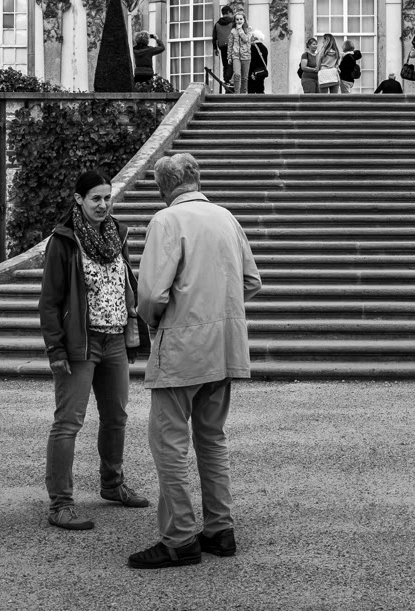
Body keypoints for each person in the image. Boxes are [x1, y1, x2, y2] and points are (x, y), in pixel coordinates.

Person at [128, 152, 262, 569]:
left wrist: (155, 322)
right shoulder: (226, 217)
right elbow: (251, 281)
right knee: (212, 438)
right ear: (197, 179)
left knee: (168, 442)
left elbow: (151, 295)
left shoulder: (166, 220)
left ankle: (180, 536)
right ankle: (220, 529)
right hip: (225, 343)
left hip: (183, 345)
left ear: (163, 188)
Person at [38, 169, 152, 531]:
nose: (103, 205)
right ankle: (61, 503)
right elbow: (49, 301)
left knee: (116, 416)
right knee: (68, 422)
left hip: (115, 339)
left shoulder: (117, 234)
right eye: (96, 198)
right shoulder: (63, 240)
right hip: (80, 343)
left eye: (107, 197)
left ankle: (112, 484)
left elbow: (125, 284)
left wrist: (135, 330)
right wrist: (56, 349)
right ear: (79, 199)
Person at [211, 7, 235, 84]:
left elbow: (214, 37)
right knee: (232, 63)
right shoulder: (232, 23)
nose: (232, 15)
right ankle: (231, 79)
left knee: (225, 64)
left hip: (222, 46)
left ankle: (226, 79)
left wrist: (215, 48)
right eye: (232, 13)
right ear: (229, 12)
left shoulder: (217, 24)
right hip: (232, 45)